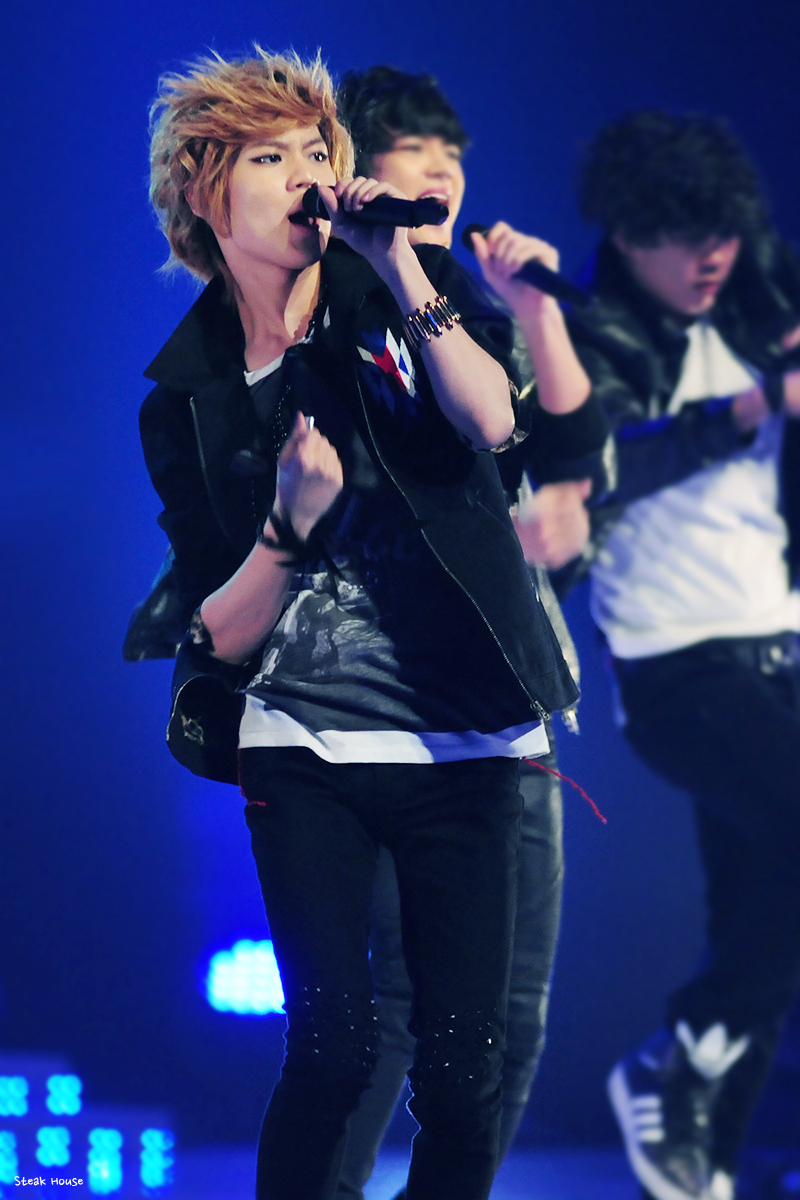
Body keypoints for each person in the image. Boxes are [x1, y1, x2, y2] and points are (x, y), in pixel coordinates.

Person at [136, 47, 585, 1200]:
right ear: (202, 191)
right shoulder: (184, 399)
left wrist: (397, 261)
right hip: (304, 744)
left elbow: (491, 423)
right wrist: (287, 529)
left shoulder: (397, 296)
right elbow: (217, 627)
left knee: (463, 1072)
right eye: (268, 158)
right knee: (331, 1048)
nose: (303, 177)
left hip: (462, 738)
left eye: (314, 153)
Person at [329, 66, 608, 1200]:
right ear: (355, 173)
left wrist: (535, 305)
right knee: (393, 1005)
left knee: (514, 1009)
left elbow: (569, 450)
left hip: (511, 703)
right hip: (384, 704)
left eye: (455, 157)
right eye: (415, 150)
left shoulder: (481, 319)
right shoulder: (333, 315)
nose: (444, 170)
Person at [563, 110, 800, 1200]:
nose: (713, 259)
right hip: (677, 665)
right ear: (627, 234)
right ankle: (680, 1048)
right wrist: (751, 404)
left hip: (779, 640)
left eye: (726, 236)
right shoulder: (589, 334)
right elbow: (599, 466)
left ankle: (702, 1167)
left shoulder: (758, 297)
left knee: (763, 916)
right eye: (688, 239)